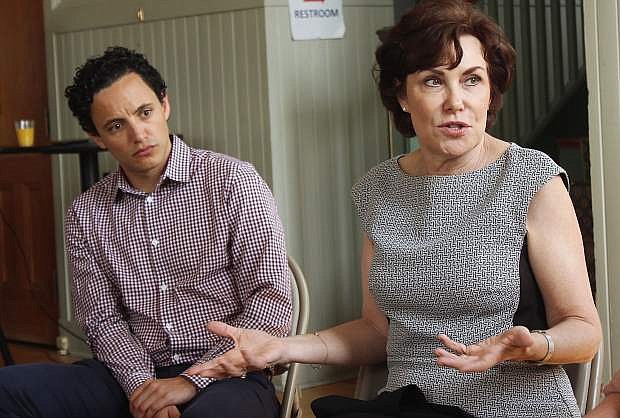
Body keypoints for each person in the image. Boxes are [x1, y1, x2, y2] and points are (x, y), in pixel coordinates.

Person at [187, 1, 602, 417]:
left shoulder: (531, 179)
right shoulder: (378, 189)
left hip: (515, 407)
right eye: (434, 81)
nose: (456, 101)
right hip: (409, 406)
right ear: (403, 95)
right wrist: (282, 347)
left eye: (472, 80)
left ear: (491, 90)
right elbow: (375, 331)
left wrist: (534, 346)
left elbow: (584, 330)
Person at [0, 46, 292, 418]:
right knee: (7, 391)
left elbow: (272, 301)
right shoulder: (86, 213)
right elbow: (102, 319)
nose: (139, 134)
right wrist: (143, 388)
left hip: (229, 375)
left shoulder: (233, 180)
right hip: (127, 377)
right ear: (97, 137)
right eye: (116, 126)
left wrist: (190, 381)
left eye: (145, 112)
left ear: (165, 105)